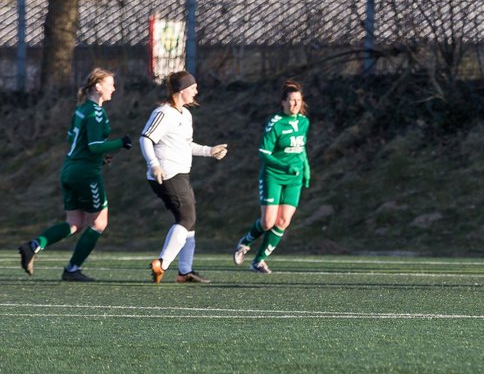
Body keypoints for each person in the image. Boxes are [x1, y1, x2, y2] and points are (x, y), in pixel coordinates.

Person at [17, 67, 132, 282]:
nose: (114, 89)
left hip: (69, 170)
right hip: (86, 174)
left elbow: (72, 138)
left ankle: (33, 246)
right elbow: (96, 145)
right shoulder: (97, 112)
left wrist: (97, 157)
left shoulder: (80, 109)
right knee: (98, 223)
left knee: (75, 222)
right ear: (98, 87)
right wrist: (121, 143)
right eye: (110, 84)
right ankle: (72, 269)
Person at [140, 70, 229, 284]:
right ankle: (162, 264)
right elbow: (145, 138)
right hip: (167, 174)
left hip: (180, 174)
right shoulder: (163, 113)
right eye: (193, 87)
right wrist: (154, 165)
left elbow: (186, 145)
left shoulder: (185, 115)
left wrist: (210, 151)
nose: (197, 90)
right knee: (186, 219)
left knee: (190, 221)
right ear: (182, 91)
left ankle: (185, 271)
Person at [231, 80, 311, 274]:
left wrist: (306, 170)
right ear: (283, 102)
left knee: (283, 221)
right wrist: (285, 166)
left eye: (298, 101)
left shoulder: (303, 122)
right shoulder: (275, 123)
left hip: (294, 179)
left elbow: (301, 149)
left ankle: (258, 261)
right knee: (268, 222)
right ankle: (245, 242)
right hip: (273, 175)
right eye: (291, 101)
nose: (295, 105)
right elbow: (263, 153)